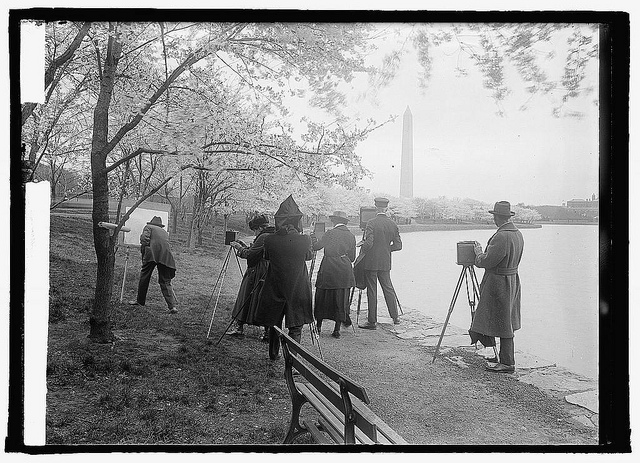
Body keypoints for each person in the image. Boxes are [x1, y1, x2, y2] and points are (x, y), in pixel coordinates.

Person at [470, 201, 525, 373]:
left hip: (498, 283)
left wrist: (478, 253)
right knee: (505, 318)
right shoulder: (517, 233)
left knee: (502, 321)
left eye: (494, 216)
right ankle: (502, 356)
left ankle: (507, 362)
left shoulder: (502, 236)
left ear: (497, 217)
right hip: (511, 280)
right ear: (508, 217)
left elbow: (487, 261)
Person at [253, 195, 313, 351]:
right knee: (296, 325)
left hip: (275, 285)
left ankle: (273, 353)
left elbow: (266, 257)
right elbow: (309, 257)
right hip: (297, 286)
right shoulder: (305, 239)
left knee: (274, 321)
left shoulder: (269, 240)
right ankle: (293, 359)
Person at [226, 215, 275, 341]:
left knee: (245, 296)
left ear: (259, 228)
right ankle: (267, 332)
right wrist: (244, 245)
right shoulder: (272, 234)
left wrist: (238, 248)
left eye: (255, 230)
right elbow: (256, 251)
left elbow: (250, 255)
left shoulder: (263, 236)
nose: (255, 232)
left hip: (257, 271)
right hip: (267, 270)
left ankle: (238, 327)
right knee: (263, 300)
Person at [358, 197, 402, 330]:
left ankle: (372, 322)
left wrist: (362, 247)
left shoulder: (371, 223)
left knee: (372, 290)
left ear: (376, 208)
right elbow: (398, 245)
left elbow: (369, 243)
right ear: (387, 209)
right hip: (385, 261)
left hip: (371, 261)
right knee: (388, 289)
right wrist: (386, 249)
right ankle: (395, 317)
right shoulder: (393, 224)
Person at [311, 211, 356, 338]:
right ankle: (336, 330)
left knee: (323, 296)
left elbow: (316, 247)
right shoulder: (351, 236)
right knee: (340, 298)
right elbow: (352, 258)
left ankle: (318, 327)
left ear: (334, 221)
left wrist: (313, 238)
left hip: (329, 267)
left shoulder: (329, 233)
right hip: (344, 268)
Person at [129, 216, 178, 314]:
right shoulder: (164, 232)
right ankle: (172, 307)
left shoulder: (148, 227)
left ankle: (140, 301)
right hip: (165, 257)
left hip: (151, 254)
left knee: (144, 277)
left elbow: (144, 240)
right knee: (165, 281)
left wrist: (143, 254)